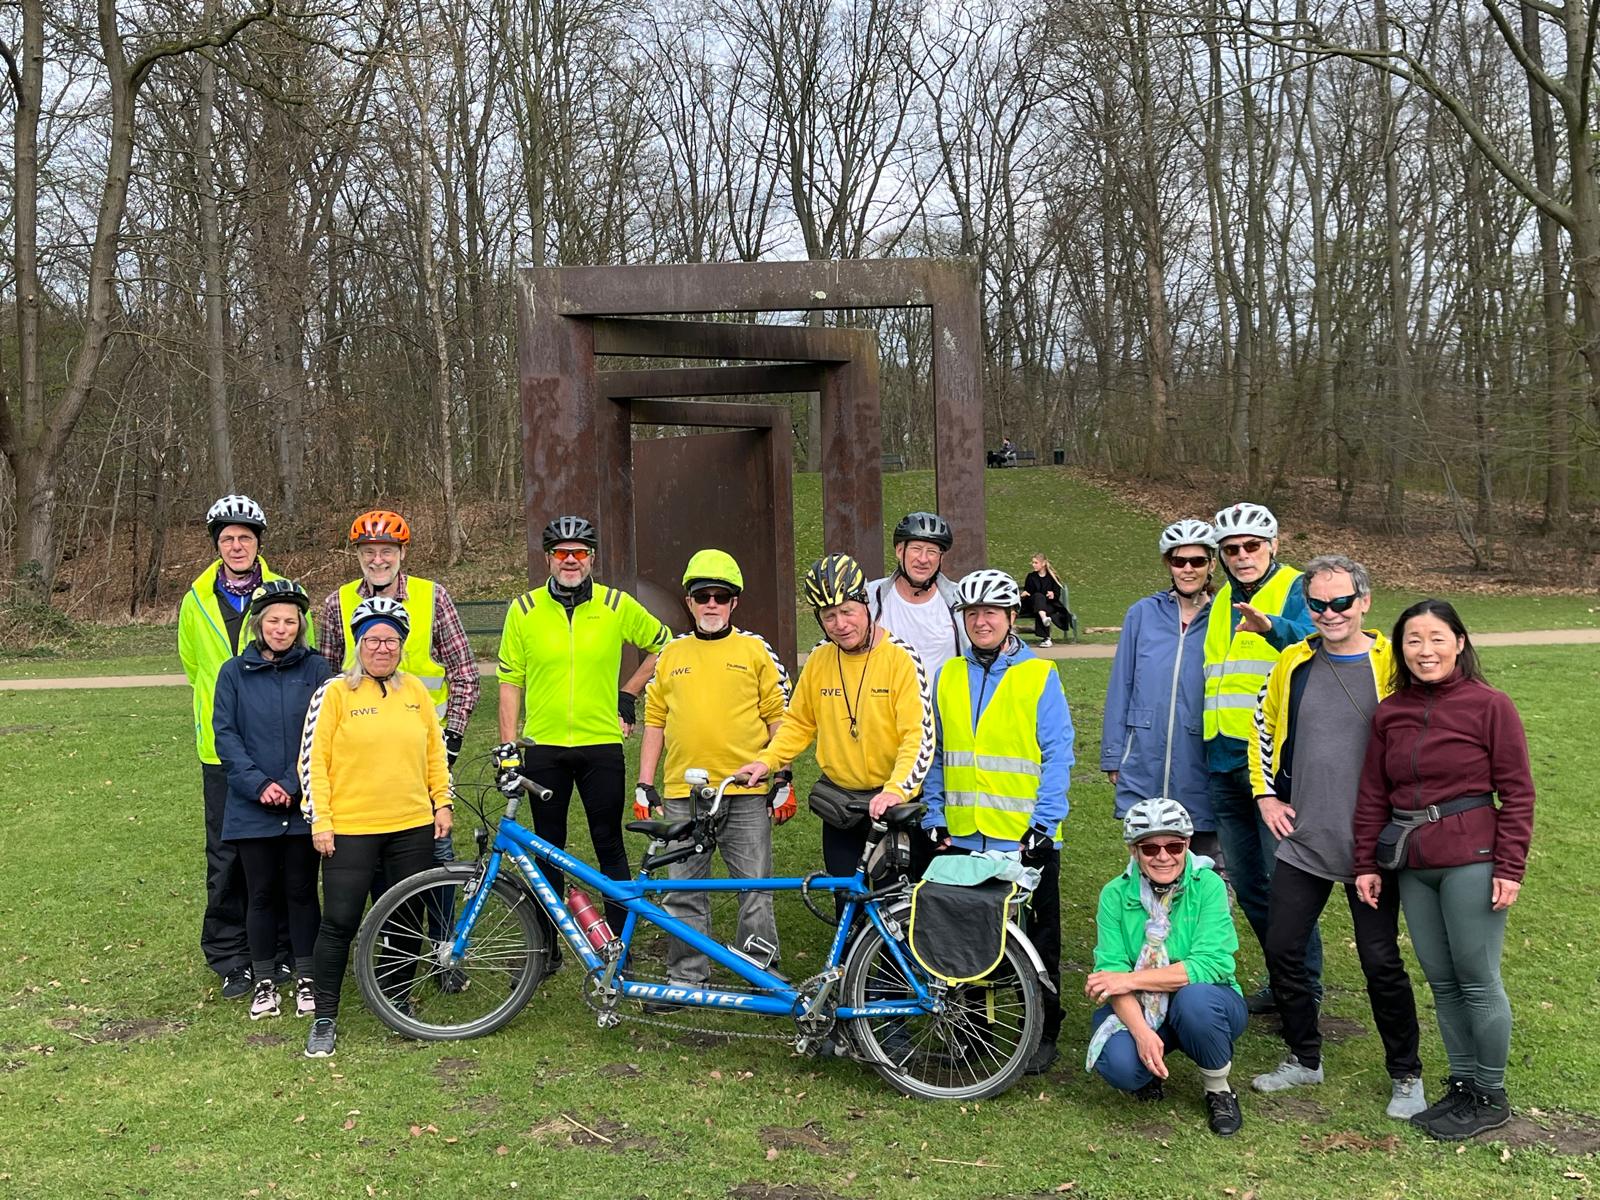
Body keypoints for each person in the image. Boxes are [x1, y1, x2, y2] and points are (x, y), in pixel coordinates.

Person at [1245, 556, 1424, 1119]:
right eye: (1318, 604)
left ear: (1364, 602)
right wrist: (1265, 796)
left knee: (1380, 962)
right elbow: (1262, 726)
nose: (1330, 613)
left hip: (1372, 845)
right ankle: (1305, 1056)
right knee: (1282, 948)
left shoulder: (1393, 664)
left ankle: (1406, 1074)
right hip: (1305, 839)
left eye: (1341, 602)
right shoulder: (1293, 662)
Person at [1352, 600, 1535, 1141]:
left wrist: (1510, 866)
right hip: (1414, 863)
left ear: (1459, 642)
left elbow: (1518, 792)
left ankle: (1490, 1095)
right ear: (1400, 649)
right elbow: (1373, 794)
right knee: (1442, 980)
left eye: (1436, 638)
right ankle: (1462, 1085)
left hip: (1472, 859)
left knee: (1478, 979)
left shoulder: (1490, 705)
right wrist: (1366, 862)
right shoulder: (1390, 713)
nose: (1425, 650)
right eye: (1413, 640)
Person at [317, 509, 480, 989]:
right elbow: (324, 675)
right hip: (360, 762)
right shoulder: (336, 603)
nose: (378, 560)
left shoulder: (433, 596)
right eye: (369, 552)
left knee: (437, 856)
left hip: (423, 755)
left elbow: (465, 672)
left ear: (402, 553)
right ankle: (378, 953)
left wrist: (450, 741)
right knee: (371, 865)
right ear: (358, 556)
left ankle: (444, 955)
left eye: (386, 551)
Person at [919, 569, 1073, 1075]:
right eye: (972, 614)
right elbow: (937, 752)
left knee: (1040, 939)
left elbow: (1058, 755)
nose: (980, 622)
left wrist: (1043, 825)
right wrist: (935, 814)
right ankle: (975, 1031)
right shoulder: (948, 675)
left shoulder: (1039, 675)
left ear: (1010, 617)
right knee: (968, 935)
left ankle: (1045, 1030)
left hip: (1025, 835)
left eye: (990, 613)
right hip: (965, 833)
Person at [496, 515, 672, 937]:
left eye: (579, 552)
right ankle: (547, 947)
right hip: (543, 746)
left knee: (609, 843)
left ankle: (620, 945)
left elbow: (665, 645)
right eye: (561, 552)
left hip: (600, 745)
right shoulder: (524, 610)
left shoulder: (615, 605)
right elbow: (509, 683)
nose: (570, 560)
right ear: (548, 559)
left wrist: (628, 693)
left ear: (591, 558)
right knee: (547, 848)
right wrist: (508, 748)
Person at [299, 596, 453, 1057]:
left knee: (406, 920)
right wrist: (321, 820)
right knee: (339, 922)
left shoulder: (416, 692)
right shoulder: (334, 693)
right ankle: (325, 1016)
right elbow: (313, 762)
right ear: (358, 644)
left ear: (402, 646)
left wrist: (442, 803)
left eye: (391, 640)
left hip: (411, 825)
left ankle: (396, 1000)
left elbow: (435, 753)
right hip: (351, 828)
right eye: (373, 640)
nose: (382, 648)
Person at [635, 550, 791, 994]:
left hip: (745, 791)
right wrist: (644, 783)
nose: (711, 604)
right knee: (684, 890)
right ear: (689, 601)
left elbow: (778, 717)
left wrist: (783, 777)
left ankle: (759, 973)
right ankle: (687, 978)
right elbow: (655, 722)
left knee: (755, 887)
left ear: (733, 603)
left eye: (721, 597)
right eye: (702, 596)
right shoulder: (671, 654)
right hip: (683, 794)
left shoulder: (754, 650)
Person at [737, 553, 934, 883]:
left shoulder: (901, 659)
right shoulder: (819, 658)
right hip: (840, 803)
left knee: (891, 900)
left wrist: (896, 789)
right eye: (829, 616)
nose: (840, 624)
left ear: (866, 605)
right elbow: (799, 722)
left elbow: (918, 736)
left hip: (888, 801)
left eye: (847, 611)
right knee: (844, 897)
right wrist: (767, 761)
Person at [1201, 501, 1316, 1013]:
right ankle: (1282, 979)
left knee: (1286, 884)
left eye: (1251, 546)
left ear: (1272, 546)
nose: (1242, 556)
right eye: (1231, 549)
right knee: (1249, 886)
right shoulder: (1223, 599)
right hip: (1223, 759)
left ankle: (1304, 989)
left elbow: (1321, 642)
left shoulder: (1295, 586)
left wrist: (1273, 628)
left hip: (1272, 764)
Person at [178, 494, 294, 999]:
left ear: (258, 543)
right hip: (221, 752)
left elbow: (301, 657)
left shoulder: (284, 593)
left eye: (245, 537)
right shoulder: (195, 599)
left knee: (282, 852)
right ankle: (231, 956)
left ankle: (283, 950)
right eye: (228, 538)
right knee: (226, 856)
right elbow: (194, 668)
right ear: (217, 545)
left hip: (278, 748)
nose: (237, 545)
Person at [1085, 799, 1246, 1137]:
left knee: (1195, 1001)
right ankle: (1149, 1067)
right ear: (1134, 851)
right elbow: (1110, 974)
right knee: (1120, 1066)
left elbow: (1210, 964)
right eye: (1149, 848)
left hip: (1206, 999)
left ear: (1187, 845)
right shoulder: (1114, 894)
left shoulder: (1209, 885)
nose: (1163, 856)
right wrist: (1142, 1034)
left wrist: (1129, 979)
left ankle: (1218, 1089)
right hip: (1141, 1005)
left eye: (1174, 846)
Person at [212, 580, 333, 1021]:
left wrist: (291, 782)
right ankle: (264, 980)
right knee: (259, 893)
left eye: (290, 622)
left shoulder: (317, 669)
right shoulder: (233, 673)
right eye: (274, 621)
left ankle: (307, 977)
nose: (281, 629)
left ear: (300, 626)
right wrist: (259, 784)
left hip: (302, 801)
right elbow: (226, 735)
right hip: (252, 804)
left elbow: (323, 731)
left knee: (302, 891)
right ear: (259, 624)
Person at [1100, 521, 1218, 856]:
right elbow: (1121, 685)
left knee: (1203, 863)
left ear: (1211, 564)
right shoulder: (1142, 614)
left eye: (1197, 561)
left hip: (1199, 759)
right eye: (1179, 561)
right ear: (1169, 564)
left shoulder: (1224, 616)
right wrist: (1114, 754)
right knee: (1149, 858)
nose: (1187, 569)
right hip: (1144, 756)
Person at [865, 511, 966, 682]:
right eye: (916, 549)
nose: (923, 559)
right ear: (900, 551)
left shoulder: (960, 600)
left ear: (941, 558)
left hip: (941, 699)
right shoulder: (872, 596)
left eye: (932, 552)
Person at [1021, 554, 1073, 647]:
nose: (1033, 565)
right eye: (1033, 562)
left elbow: (1056, 594)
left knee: (1043, 608)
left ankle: (1045, 630)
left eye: (1036, 563)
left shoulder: (1052, 577)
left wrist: (1053, 595)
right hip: (1032, 605)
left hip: (1048, 604)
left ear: (1043, 563)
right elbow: (1029, 592)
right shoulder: (1031, 576)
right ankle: (1046, 636)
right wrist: (1025, 593)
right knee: (1038, 597)